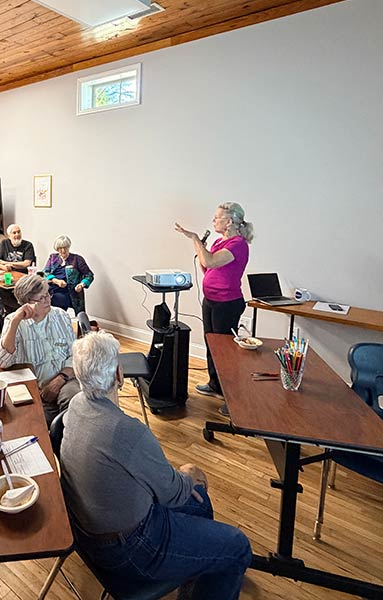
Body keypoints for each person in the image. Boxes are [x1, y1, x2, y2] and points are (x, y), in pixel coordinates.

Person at [60, 331, 252, 600]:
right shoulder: (127, 431)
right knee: (238, 546)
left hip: (88, 532)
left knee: (200, 504)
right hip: (128, 549)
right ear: (118, 375)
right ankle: (207, 569)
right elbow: (173, 493)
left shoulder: (76, 405)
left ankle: (197, 574)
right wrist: (189, 473)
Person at [175, 203, 254, 406]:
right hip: (211, 300)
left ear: (229, 221)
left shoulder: (238, 244)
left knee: (225, 352)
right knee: (211, 345)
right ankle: (215, 384)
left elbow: (210, 262)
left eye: (217, 217)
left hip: (227, 304)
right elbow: (207, 268)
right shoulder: (220, 241)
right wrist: (199, 246)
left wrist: (194, 239)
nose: (213, 220)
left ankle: (232, 399)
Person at [0, 275, 81, 425]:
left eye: (48, 294)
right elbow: (2, 362)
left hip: (65, 380)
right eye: (42, 298)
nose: (48, 299)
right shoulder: (14, 321)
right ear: (27, 303)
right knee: (33, 423)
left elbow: (75, 354)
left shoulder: (60, 316)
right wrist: (16, 321)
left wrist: (60, 379)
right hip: (34, 389)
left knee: (75, 402)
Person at [42, 235, 94, 313]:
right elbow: (45, 272)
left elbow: (89, 275)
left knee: (53, 300)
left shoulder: (77, 259)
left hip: (70, 293)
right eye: (60, 248)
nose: (63, 250)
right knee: (40, 298)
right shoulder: (53, 258)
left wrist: (81, 285)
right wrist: (56, 281)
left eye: (65, 247)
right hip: (53, 289)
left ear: (68, 247)